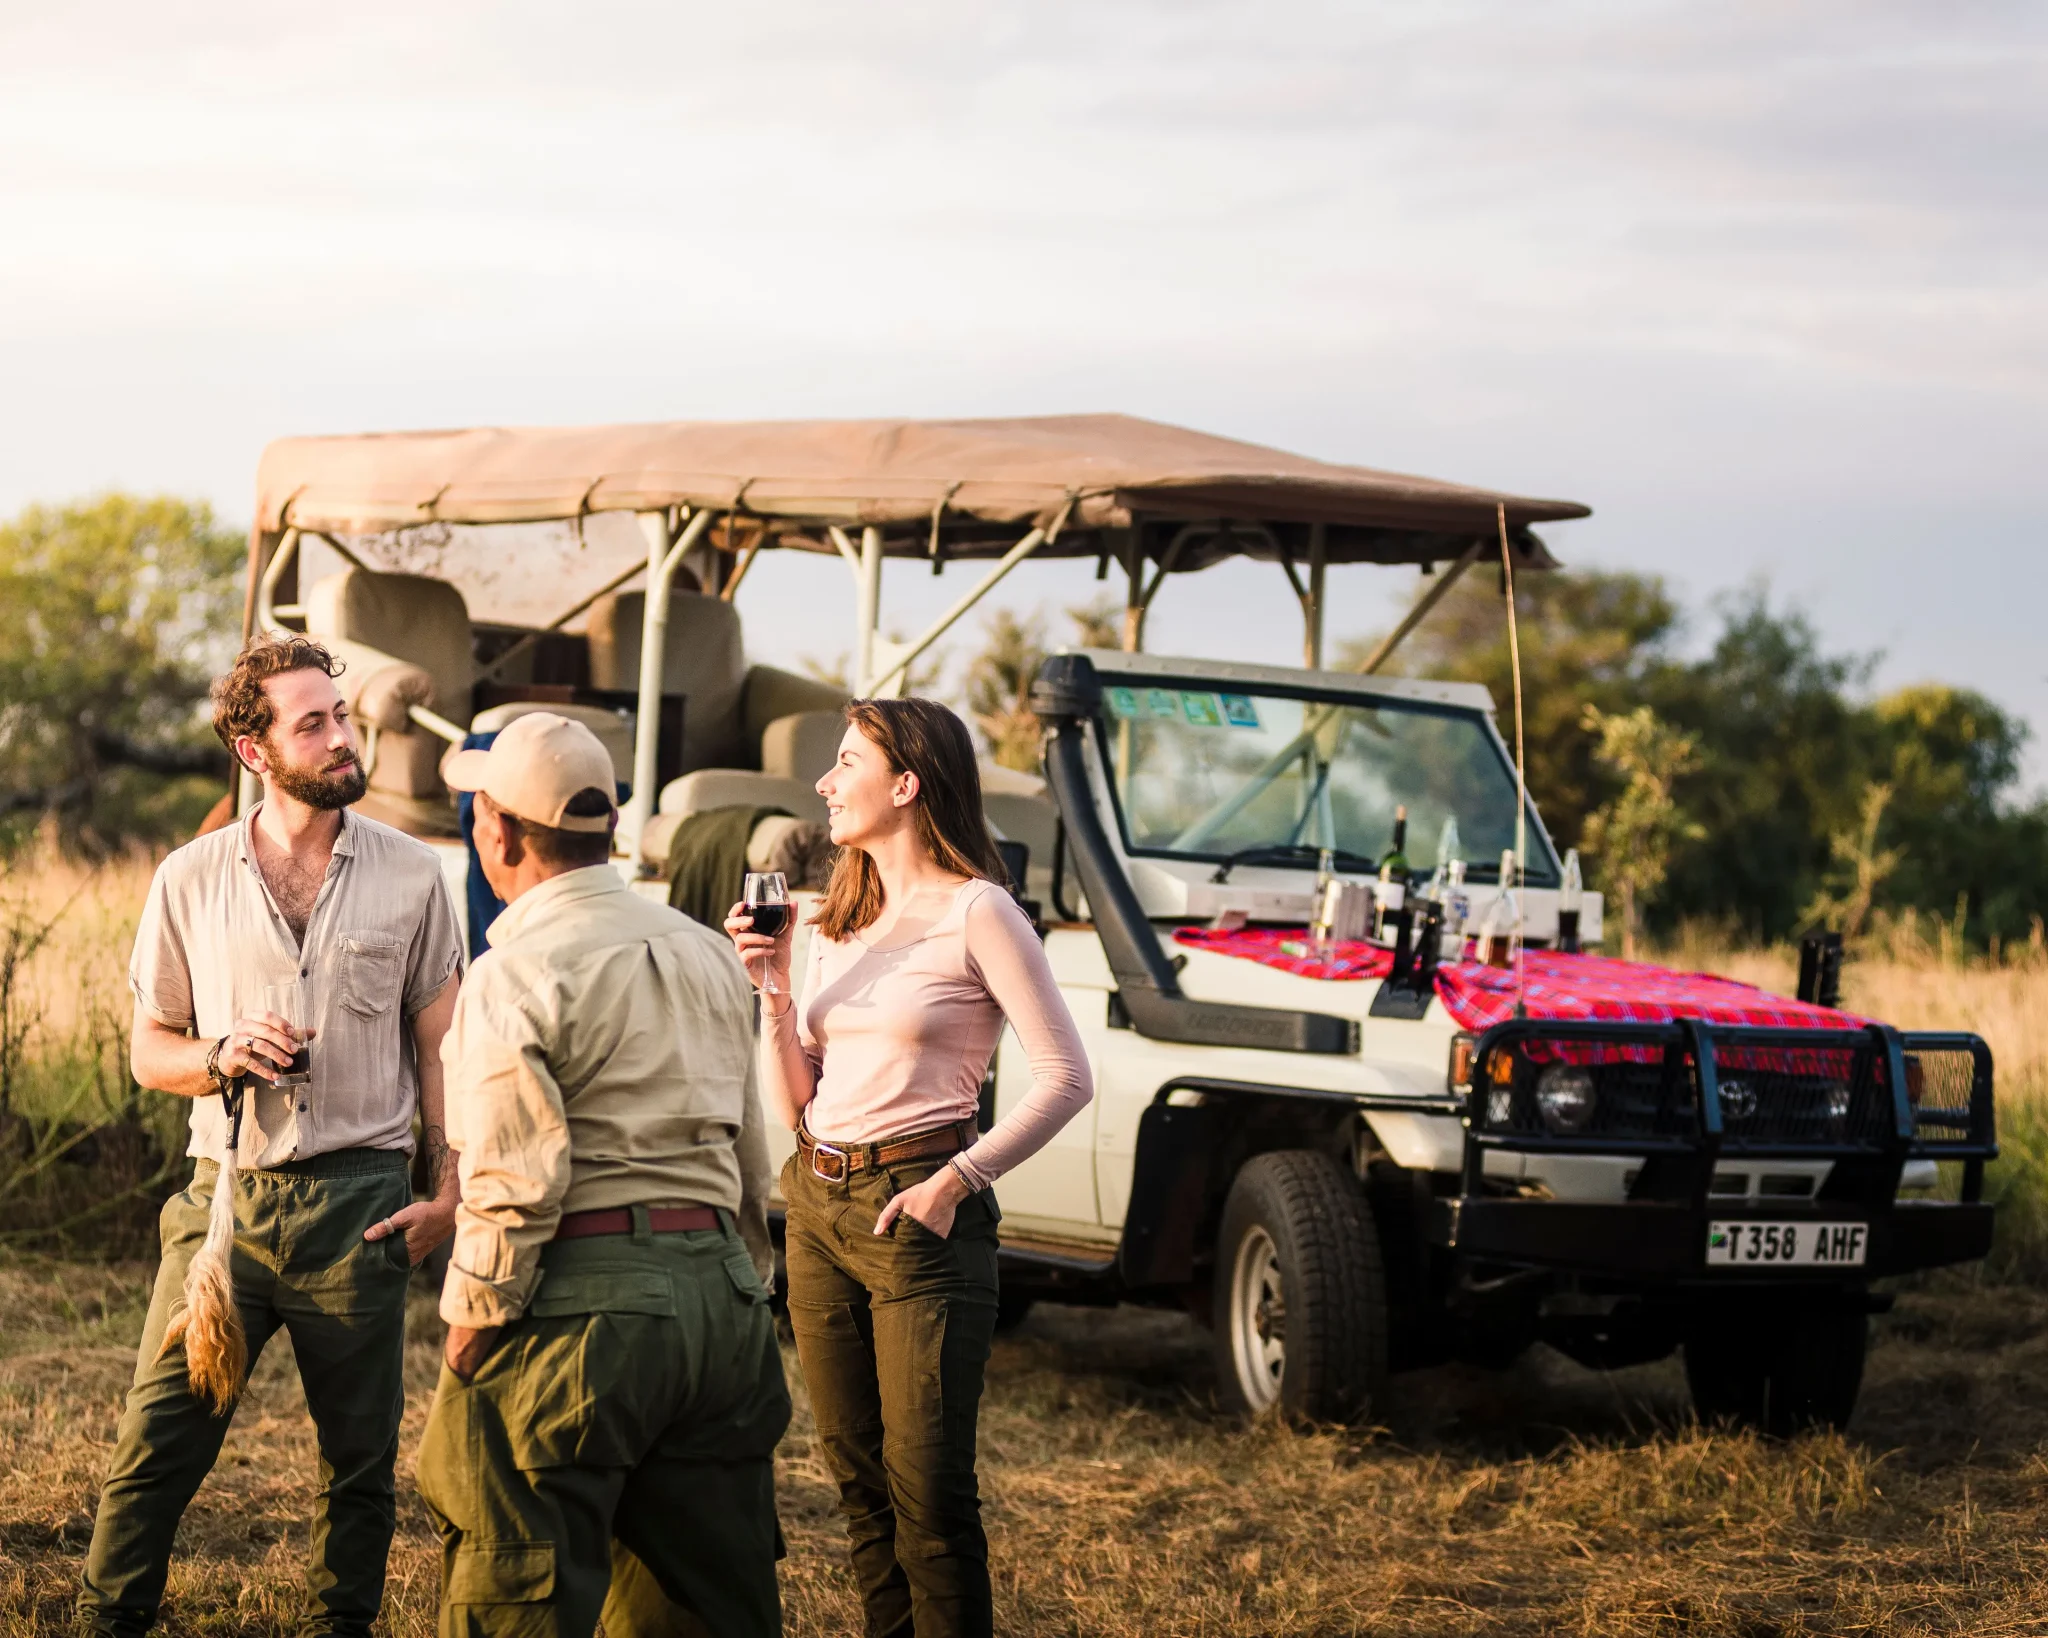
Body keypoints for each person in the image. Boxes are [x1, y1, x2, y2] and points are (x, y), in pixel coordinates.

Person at [80, 635, 464, 1638]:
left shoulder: (415, 875)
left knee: (361, 1467)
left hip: (363, 1209)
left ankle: (344, 1624)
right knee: (154, 1447)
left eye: (342, 716)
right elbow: (146, 1053)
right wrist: (218, 1055)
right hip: (223, 1209)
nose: (342, 738)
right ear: (253, 752)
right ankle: (106, 1621)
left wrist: (447, 1188)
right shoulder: (189, 879)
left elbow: (442, 1050)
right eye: (313, 724)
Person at [727, 697, 1092, 1638]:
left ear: (907, 783)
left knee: (928, 1496)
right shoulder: (833, 915)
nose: (824, 782)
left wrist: (955, 1183)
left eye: (845, 762)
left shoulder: (982, 911)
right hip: (815, 1201)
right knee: (855, 1483)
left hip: (917, 1210)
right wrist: (772, 987)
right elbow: (798, 1101)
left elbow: (1066, 1077)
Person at [420, 711, 789, 1638]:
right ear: (611, 829)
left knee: (519, 1592)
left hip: (583, 1307)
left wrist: (473, 1324)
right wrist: (746, 1286)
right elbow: (750, 1152)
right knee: (706, 1599)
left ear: (495, 831)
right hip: (721, 1299)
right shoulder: (709, 951)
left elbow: (515, 1175)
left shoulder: (514, 970)